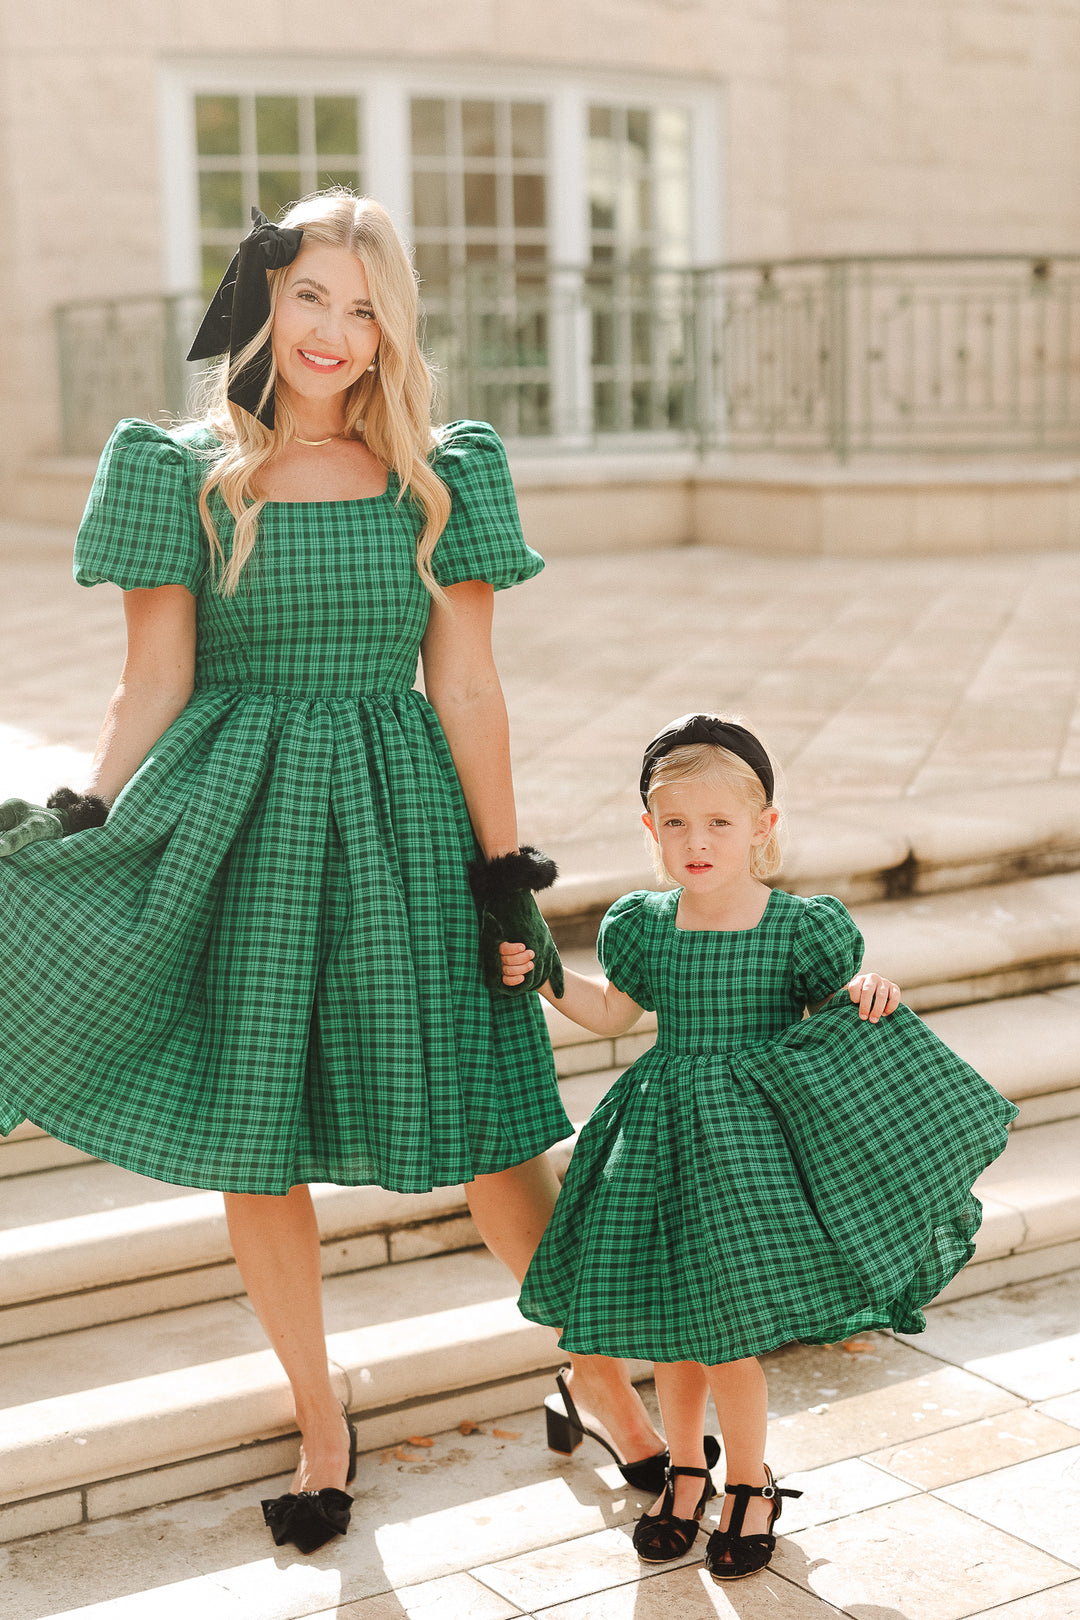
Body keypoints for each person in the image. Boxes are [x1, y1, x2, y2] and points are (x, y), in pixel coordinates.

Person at [0, 191, 664, 1553]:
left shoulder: (445, 472)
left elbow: (467, 681)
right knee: (260, 1135)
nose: (337, 332)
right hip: (236, 821)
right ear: (263, 297)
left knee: (494, 1118)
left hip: (405, 814)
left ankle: (593, 1373)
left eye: (367, 308)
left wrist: (503, 873)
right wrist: (82, 815)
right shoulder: (173, 470)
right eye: (313, 296)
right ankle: (319, 1415)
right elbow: (157, 679)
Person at [501, 713, 1017, 1583]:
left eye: (718, 823)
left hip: (748, 1157)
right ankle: (685, 1471)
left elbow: (840, 1014)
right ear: (650, 830)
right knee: (669, 1323)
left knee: (728, 1332)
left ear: (762, 829)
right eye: (675, 823)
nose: (695, 842)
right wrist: (548, 970)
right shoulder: (644, 925)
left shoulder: (797, 928)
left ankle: (750, 1484)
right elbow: (612, 1015)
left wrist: (866, 988)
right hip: (659, 1143)